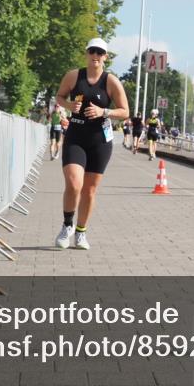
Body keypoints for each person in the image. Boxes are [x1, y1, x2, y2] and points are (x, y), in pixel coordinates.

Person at [52, 38, 128, 251]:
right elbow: (59, 97)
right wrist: (69, 105)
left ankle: (81, 232)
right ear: (86, 53)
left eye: (100, 52)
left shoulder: (111, 81)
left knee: (89, 191)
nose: (96, 55)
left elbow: (125, 112)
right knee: (74, 184)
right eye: (92, 51)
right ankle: (67, 225)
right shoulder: (74, 76)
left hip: (99, 142)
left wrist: (104, 111)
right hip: (76, 137)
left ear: (105, 57)